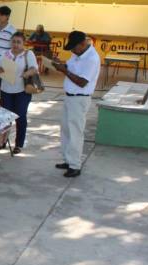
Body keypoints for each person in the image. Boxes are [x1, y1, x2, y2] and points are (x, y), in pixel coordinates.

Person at [52, 31, 100, 177]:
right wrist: (60, 63)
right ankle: (68, 159)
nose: (72, 51)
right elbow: (70, 65)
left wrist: (64, 71)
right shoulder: (78, 53)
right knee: (66, 129)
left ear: (83, 44)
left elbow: (82, 82)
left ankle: (75, 166)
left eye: (74, 47)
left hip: (79, 99)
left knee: (75, 133)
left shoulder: (92, 58)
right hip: (69, 97)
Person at [0, 32, 38, 154]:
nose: (15, 44)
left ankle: (19, 144)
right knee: (5, 117)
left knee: (20, 116)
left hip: (22, 91)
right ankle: (2, 142)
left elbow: (34, 68)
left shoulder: (28, 54)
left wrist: (27, 73)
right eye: (13, 41)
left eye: (18, 42)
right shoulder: (5, 54)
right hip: (6, 90)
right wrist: (1, 70)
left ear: (23, 43)